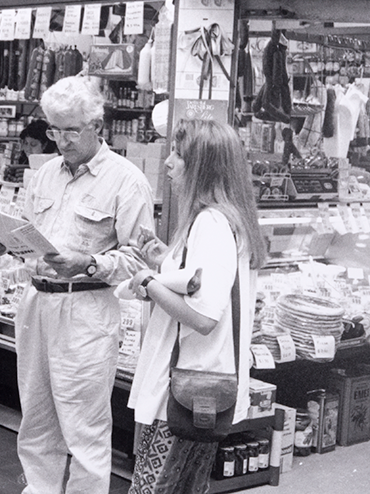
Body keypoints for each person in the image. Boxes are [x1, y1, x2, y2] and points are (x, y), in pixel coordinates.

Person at [16, 75, 155, 494]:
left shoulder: (128, 181)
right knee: (35, 419)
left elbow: (138, 256)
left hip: (86, 312)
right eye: (53, 130)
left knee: (84, 427)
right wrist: (7, 241)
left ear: (98, 124)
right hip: (36, 305)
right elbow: (29, 233)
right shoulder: (44, 176)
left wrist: (90, 264)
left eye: (71, 130)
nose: (61, 140)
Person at [127, 119, 264, 494]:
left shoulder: (211, 223)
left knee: (152, 488)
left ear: (202, 166)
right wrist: (166, 261)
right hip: (204, 387)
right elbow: (201, 283)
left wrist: (148, 283)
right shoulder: (230, 220)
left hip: (182, 387)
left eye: (178, 154)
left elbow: (204, 317)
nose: (168, 163)